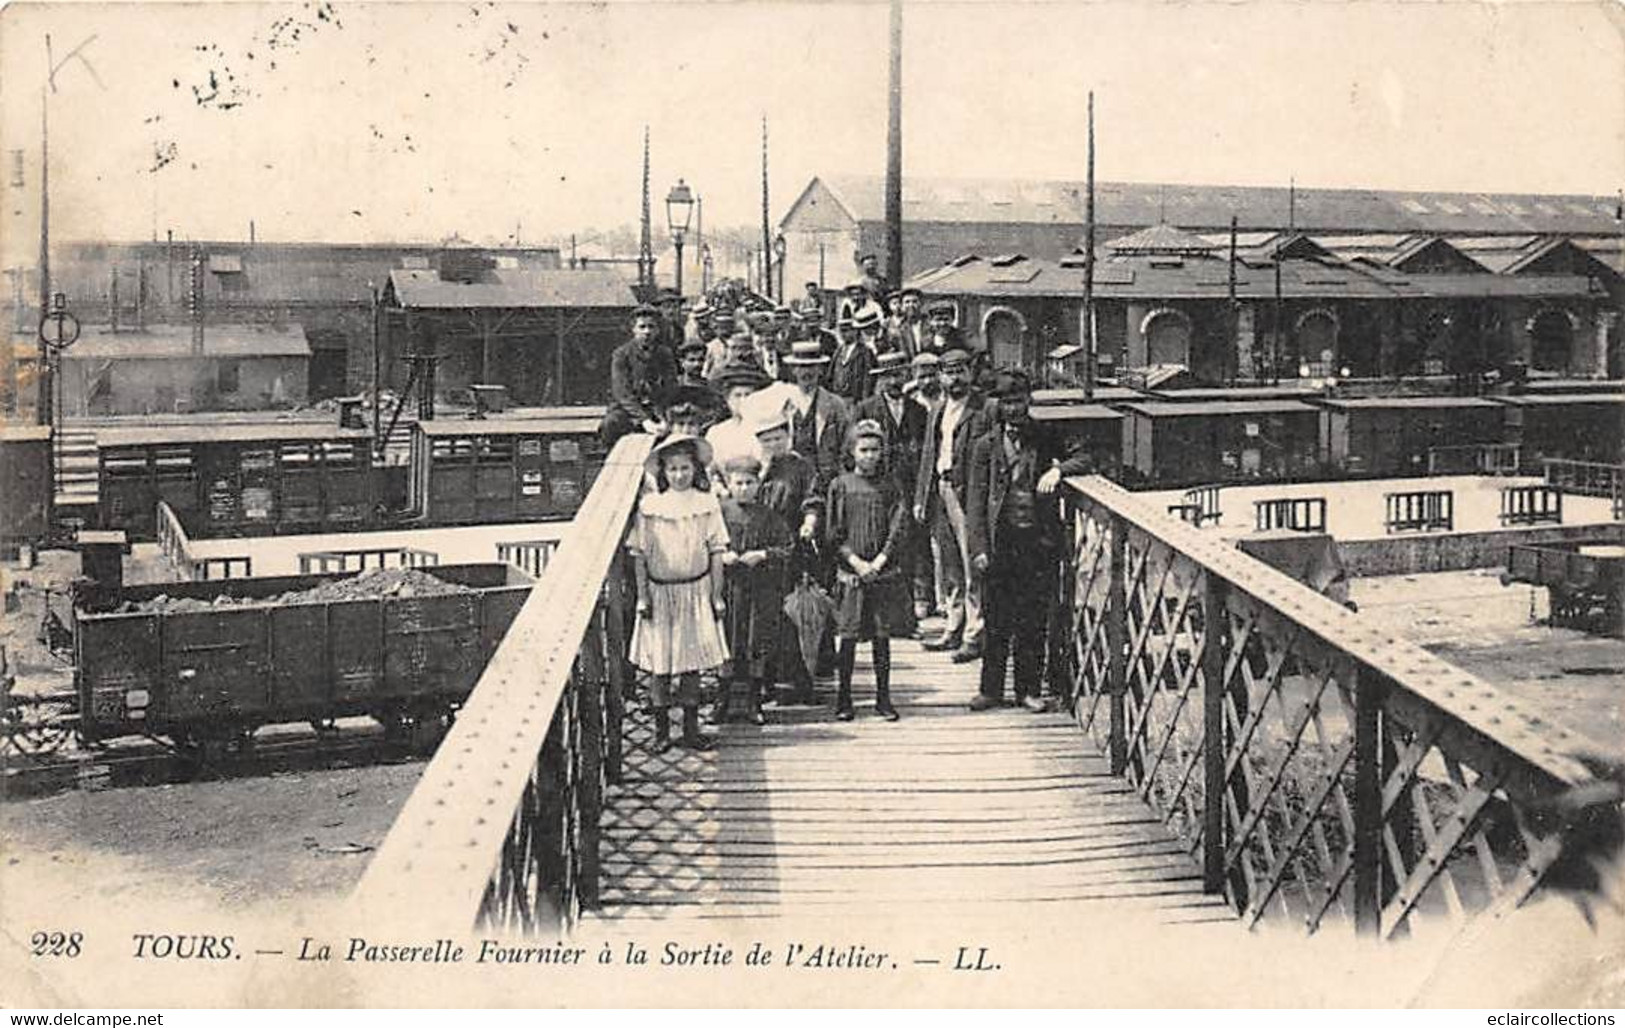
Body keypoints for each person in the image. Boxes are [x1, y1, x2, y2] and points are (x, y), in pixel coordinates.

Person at [966, 369, 1094, 712]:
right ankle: (990, 689)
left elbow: (1084, 456)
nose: (1013, 409)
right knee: (996, 618)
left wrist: (1058, 470)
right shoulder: (984, 446)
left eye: (1019, 401)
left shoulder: (1045, 436)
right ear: (998, 404)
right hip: (999, 543)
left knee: (1033, 618)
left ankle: (1028, 689)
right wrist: (977, 549)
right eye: (1006, 402)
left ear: (1029, 401)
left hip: (1037, 543)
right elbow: (975, 504)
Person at [627, 434, 730, 753]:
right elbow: (639, 554)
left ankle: (690, 729)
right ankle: (661, 732)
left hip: (695, 591)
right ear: (663, 472)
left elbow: (716, 551)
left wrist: (716, 594)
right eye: (672, 469)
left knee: (691, 663)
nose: (679, 475)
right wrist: (642, 595)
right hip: (660, 593)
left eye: (685, 468)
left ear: (695, 469)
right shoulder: (651, 507)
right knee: (661, 663)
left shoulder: (707, 504)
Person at [825, 419, 914, 721]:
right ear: (852, 452)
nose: (870, 456)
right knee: (847, 638)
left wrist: (880, 560)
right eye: (863, 450)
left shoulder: (890, 486)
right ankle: (844, 698)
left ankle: (884, 698)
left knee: (881, 637)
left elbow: (899, 525)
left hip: (881, 574)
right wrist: (855, 562)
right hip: (852, 572)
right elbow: (834, 532)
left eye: (875, 450)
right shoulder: (840, 486)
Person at [913, 348, 995, 663]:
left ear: (971, 373)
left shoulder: (984, 408)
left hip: (969, 494)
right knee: (947, 563)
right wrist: (922, 497)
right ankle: (954, 625)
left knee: (972, 561)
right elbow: (928, 455)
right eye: (949, 372)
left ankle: (975, 635)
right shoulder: (938, 409)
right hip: (941, 490)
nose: (955, 377)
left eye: (961, 370)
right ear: (941, 376)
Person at [713, 454, 794, 726]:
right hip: (728, 589)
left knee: (755, 643)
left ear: (759, 484)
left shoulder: (769, 516)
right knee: (726, 642)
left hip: (760, 590)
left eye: (750, 482)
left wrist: (762, 554)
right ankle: (722, 700)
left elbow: (787, 548)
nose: (744, 488)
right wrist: (721, 555)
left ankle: (753, 701)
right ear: (729, 483)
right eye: (738, 483)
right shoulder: (720, 513)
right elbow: (705, 542)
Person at [856, 351, 931, 620]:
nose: (894, 381)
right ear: (880, 379)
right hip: (880, 486)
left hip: (909, 486)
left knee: (913, 543)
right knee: (879, 540)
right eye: (888, 376)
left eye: (898, 374)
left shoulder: (919, 411)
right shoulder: (867, 409)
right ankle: (876, 611)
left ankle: (915, 602)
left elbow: (926, 452)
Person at [754, 411, 824, 704]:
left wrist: (810, 522)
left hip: (790, 549)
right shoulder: (756, 468)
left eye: (779, 438)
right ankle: (764, 681)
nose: (774, 444)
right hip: (760, 551)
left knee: (791, 615)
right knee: (764, 617)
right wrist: (762, 471)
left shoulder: (801, 467)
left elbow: (812, 499)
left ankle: (799, 679)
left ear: (789, 437)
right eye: (767, 440)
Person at [782, 337, 853, 497]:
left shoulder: (835, 404)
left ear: (820, 369)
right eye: (802, 367)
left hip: (825, 481)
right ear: (793, 370)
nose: (807, 372)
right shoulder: (784, 403)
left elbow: (846, 444)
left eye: (812, 366)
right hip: (792, 481)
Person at [601, 305, 676, 446]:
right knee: (610, 423)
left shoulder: (664, 354)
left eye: (651, 327)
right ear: (633, 329)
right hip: (628, 410)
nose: (647, 332)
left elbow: (670, 387)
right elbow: (622, 392)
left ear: (658, 330)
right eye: (642, 327)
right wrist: (644, 420)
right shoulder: (621, 354)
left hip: (657, 407)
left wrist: (663, 416)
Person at [704, 362, 771, 478]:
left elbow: (767, 465)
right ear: (727, 399)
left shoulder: (765, 429)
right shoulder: (716, 432)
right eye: (738, 395)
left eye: (748, 395)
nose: (743, 400)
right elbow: (709, 469)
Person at [829, 312, 877, 403]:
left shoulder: (865, 351)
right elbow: (830, 375)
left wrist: (864, 401)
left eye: (846, 331)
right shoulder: (838, 351)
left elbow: (868, 379)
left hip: (855, 400)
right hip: (838, 399)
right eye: (841, 331)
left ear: (855, 331)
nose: (843, 334)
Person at [889, 288, 926, 357]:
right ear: (902, 305)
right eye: (907, 302)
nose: (911, 305)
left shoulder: (930, 323)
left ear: (921, 303)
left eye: (915, 301)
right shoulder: (900, 328)